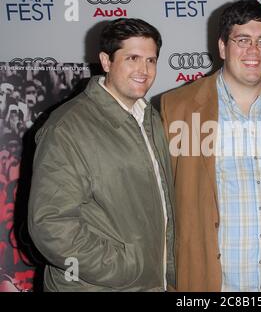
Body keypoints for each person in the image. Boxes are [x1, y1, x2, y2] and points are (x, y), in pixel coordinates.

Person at [161, 0, 261, 292]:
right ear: (222, 47)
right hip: (216, 284)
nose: (253, 51)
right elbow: (165, 205)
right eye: (242, 40)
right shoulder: (179, 107)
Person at [28, 18, 175, 291]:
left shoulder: (151, 118)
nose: (144, 70)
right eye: (132, 58)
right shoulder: (68, 127)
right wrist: (125, 266)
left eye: (151, 60)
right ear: (106, 62)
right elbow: (51, 225)